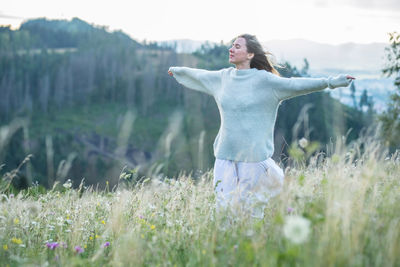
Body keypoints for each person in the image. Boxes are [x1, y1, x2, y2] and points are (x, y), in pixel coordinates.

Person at [168, 34, 355, 219]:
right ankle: (227, 245)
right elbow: (200, 75)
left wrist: (331, 82)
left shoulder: (266, 81)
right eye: (232, 45)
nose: (231, 49)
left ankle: (254, 243)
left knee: (251, 211)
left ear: (250, 54)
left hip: (253, 159)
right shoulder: (223, 78)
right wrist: (178, 71)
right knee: (224, 211)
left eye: (238, 46)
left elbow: (296, 84)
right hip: (224, 156)